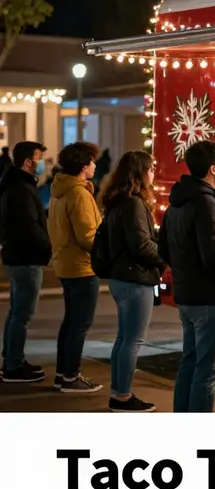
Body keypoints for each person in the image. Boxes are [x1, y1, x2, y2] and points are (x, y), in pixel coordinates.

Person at [157, 140, 215, 413]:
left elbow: (163, 249)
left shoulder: (176, 204)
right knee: (208, 372)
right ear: (211, 169)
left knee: (191, 362)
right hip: (211, 298)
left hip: (188, 296)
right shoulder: (207, 204)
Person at [98, 151, 166, 413]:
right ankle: (123, 396)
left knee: (124, 338)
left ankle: (119, 393)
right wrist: (163, 259)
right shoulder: (134, 204)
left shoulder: (117, 201)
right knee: (133, 340)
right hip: (135, 278)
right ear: (139, 172)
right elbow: (142, 245)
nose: (153, 173)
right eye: (150, 169)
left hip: (120, 276)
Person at [48, 142, 103, 393]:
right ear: (84, 165)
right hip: (82, 266)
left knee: (70, 321)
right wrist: (106, 251)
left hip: (65, 263)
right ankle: (71, 376)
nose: (95, 165)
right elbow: (87, 235)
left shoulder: (60, 190)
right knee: (79, 323)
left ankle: (63, 373)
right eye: (93, 161)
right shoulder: (79, 194)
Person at [0, 141, 50, 383]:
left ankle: (13, 358)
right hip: (25, 256)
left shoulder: (17, 184)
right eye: (39, 158)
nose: (42, 163)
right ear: (28, 161)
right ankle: (13, 365)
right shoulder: (20, 188)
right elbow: (29, 227)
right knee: (22, 313)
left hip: (18, 255)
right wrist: (47, 248)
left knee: (17, 311)